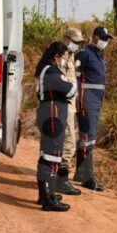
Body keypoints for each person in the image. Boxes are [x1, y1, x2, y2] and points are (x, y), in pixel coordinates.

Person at [34, 41, 76, 212]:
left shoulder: (46, 69)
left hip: (52, 113)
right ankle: (48, 199)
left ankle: (45, 194)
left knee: (49, 156)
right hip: (53, 115)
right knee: (51, 157)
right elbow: (72, 89)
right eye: (63, 58)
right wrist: (71, 84)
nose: (64, 61)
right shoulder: (50, 71)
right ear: (56, 56)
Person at [73, 26, 112, 191]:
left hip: (96, 102)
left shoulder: (98, 55)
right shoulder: (85, 54)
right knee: (87, 139)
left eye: (107, 39)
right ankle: (87, 178)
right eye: (103, 38)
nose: (105, 42)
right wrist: (79, 102)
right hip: (86, 102)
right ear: (94, 38)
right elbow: (76, 77)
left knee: (88, 138)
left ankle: (80, 174)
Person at [56, 28, 84, 196]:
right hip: (64, 105)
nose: (76, 45)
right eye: (74, 41)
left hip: (70, 105)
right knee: (68, 143)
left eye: (79, 43)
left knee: (67, 141)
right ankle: (62, 180)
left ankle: (59, 179)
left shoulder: (71, 56)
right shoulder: (61, 57)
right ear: (66, 39)